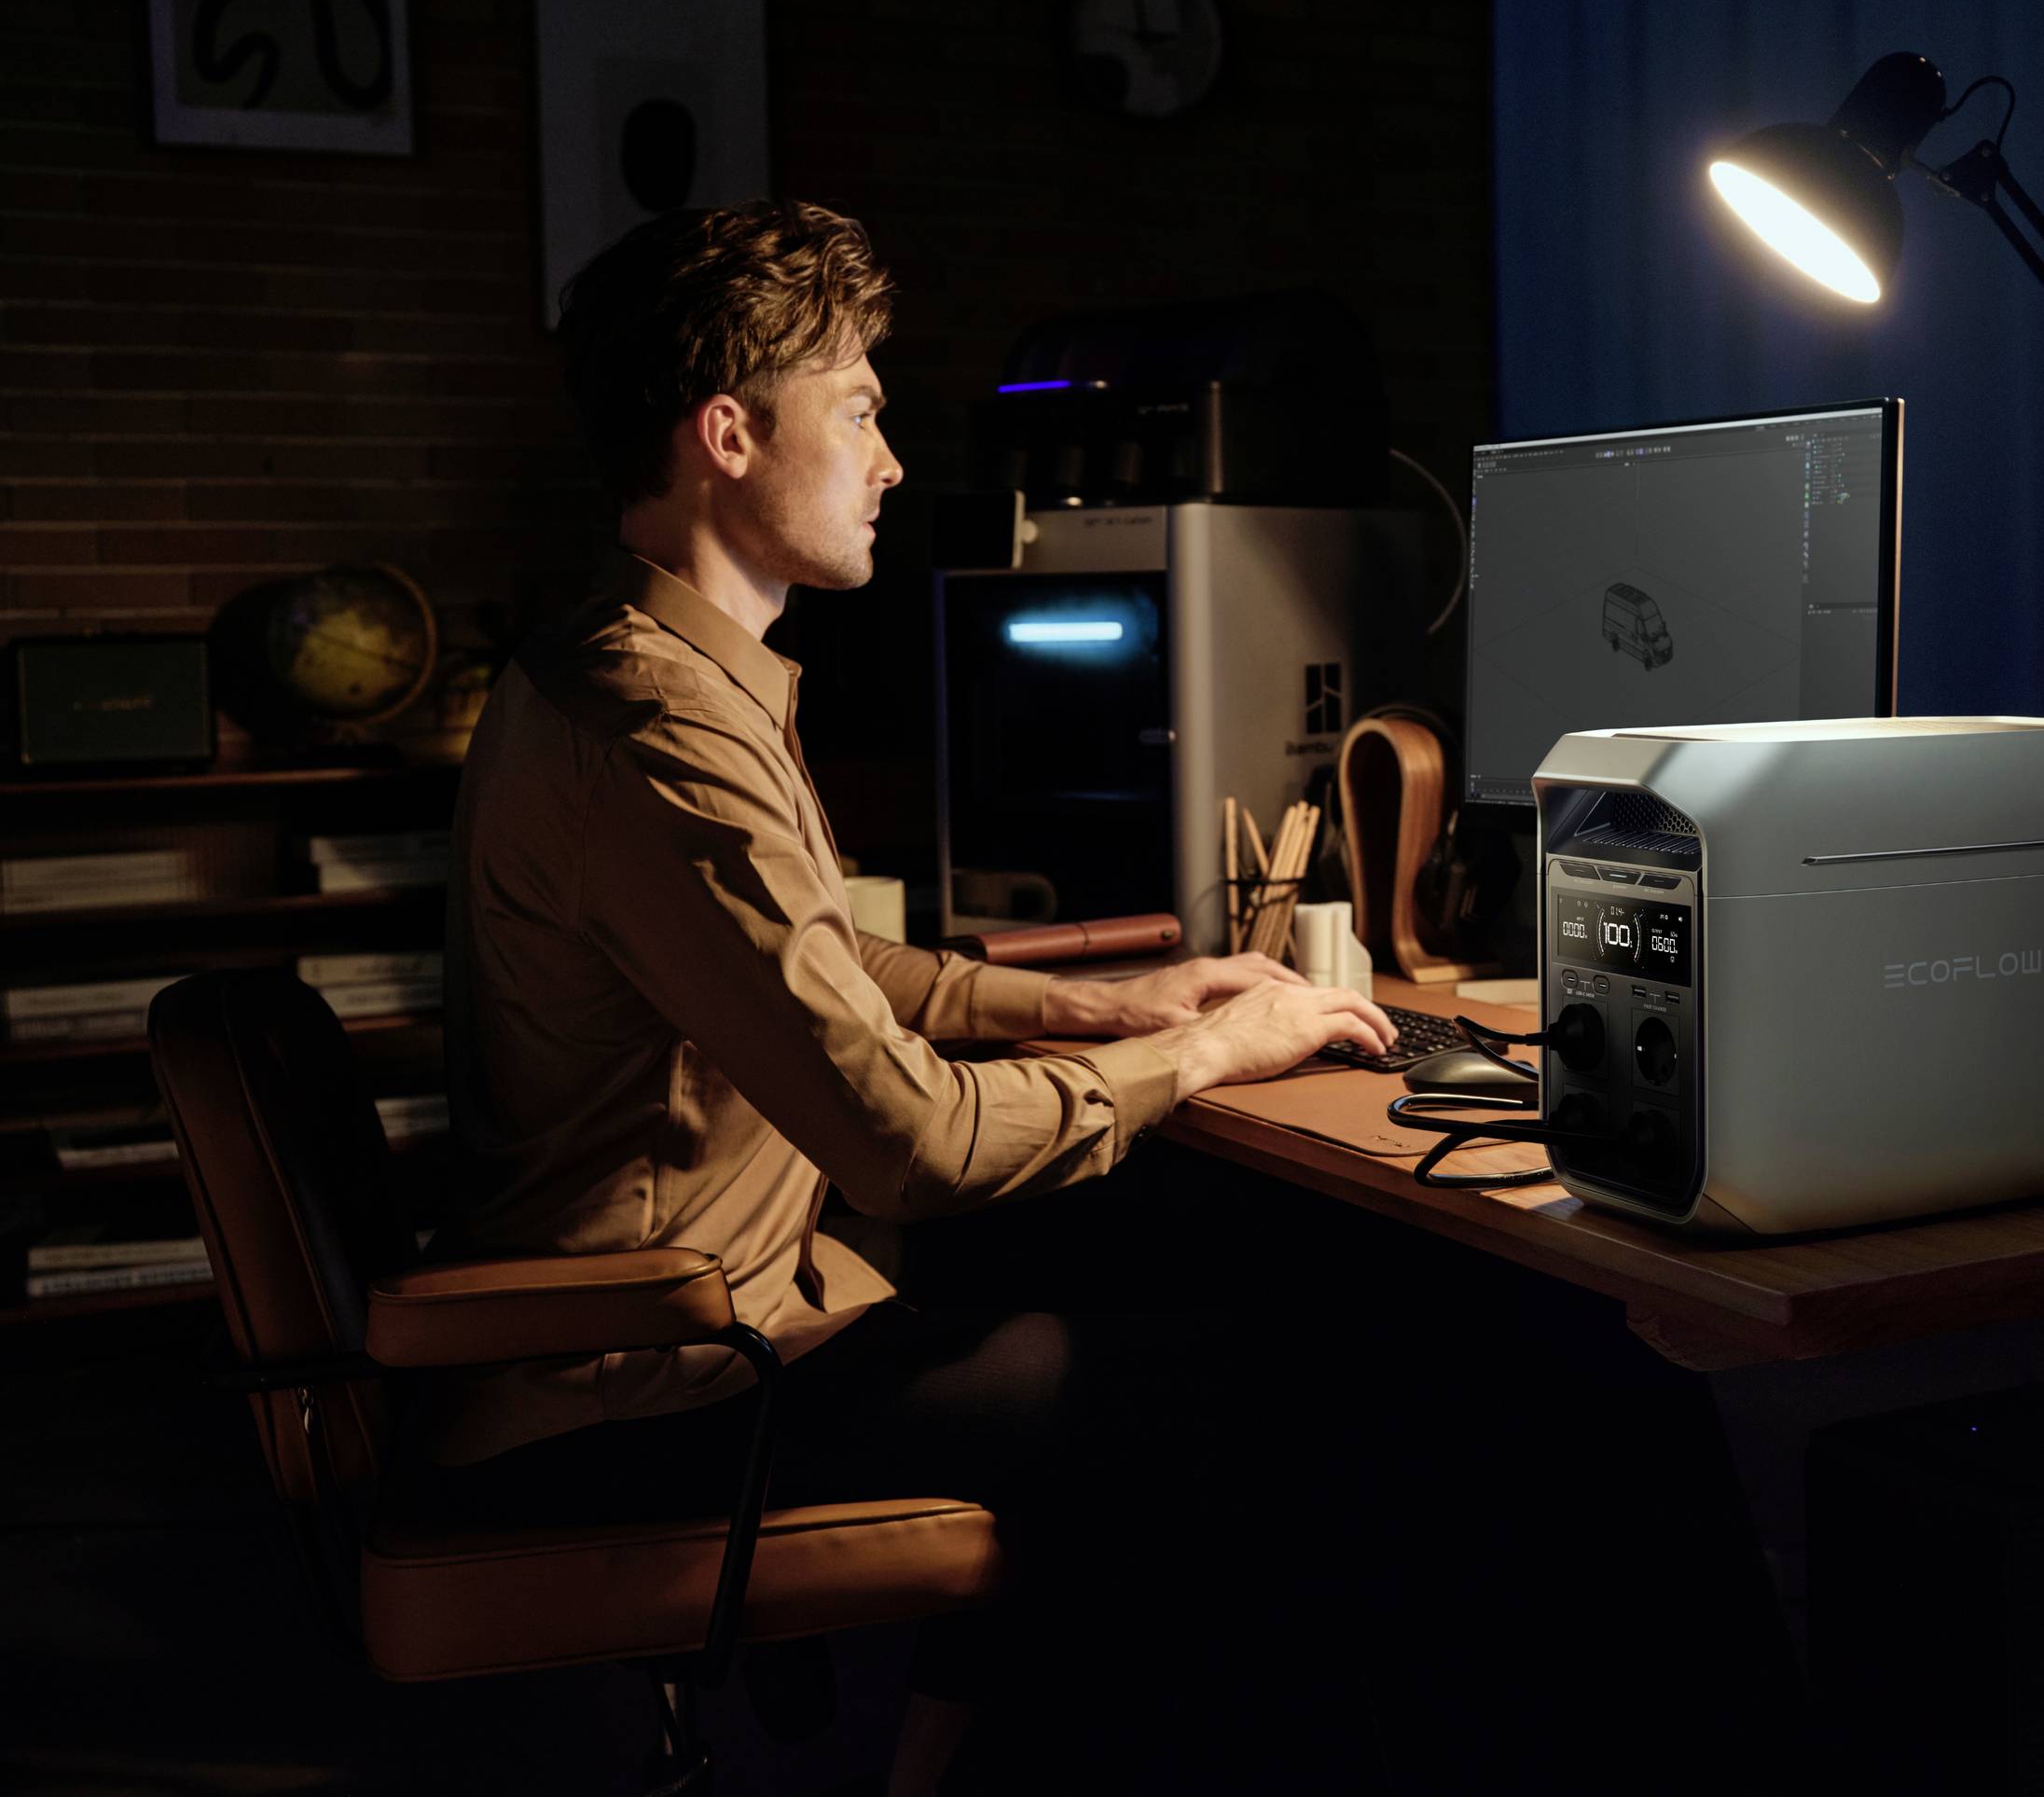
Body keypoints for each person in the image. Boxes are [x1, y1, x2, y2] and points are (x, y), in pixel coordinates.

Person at [408, 200, 1396, 1791]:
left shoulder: (648, 666)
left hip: (678, 1336)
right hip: (641, 1390)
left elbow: (820, 967)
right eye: (859, 410)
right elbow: (904, 1144)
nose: (886, 459)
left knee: (1149, 1258)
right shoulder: (663, 731)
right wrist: (1216, 1046)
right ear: (728, 434)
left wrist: (1120, 1004)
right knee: (1213, 1393)